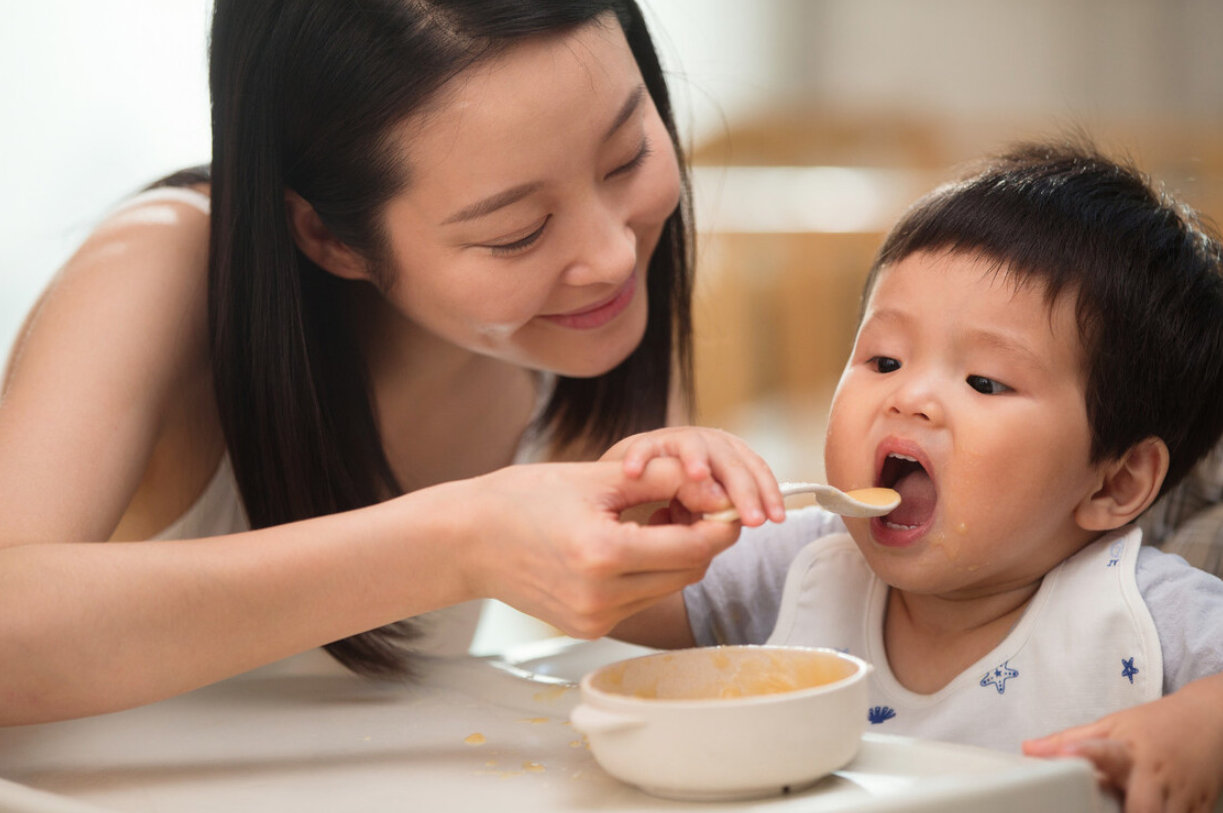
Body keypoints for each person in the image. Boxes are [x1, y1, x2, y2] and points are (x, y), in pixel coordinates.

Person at [0, 0, 753, 727]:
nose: (615, 253)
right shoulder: (160, 266)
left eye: (627, 157)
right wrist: (459, 542)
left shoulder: (568, 324)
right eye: (516, 232)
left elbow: (659, 615)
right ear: (329, 236)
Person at [606, 142, 1223, 813]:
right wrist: (637, 510)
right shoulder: (803, 564)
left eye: (983, 381)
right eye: (882, 359)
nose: (908, 398)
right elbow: (613, 598)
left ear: (1113, 483)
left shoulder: (1133, 611)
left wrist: (1210, 724)